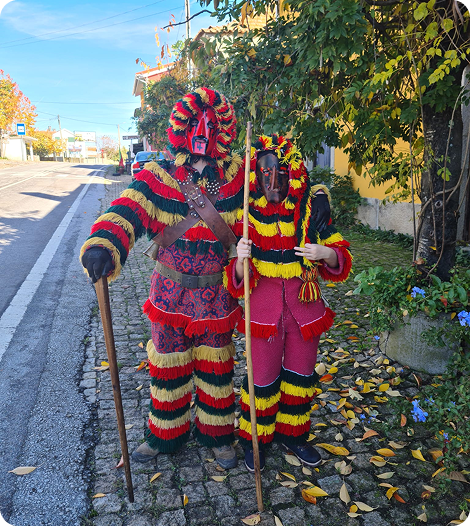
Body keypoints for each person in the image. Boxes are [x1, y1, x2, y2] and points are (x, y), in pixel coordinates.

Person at [81, 87, 245, 469]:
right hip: (168, 295)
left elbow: (278, 184)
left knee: (216, 369)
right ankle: (166, 434)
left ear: (222, 129)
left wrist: (317, 193)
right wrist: (104, 244)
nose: (202, 131)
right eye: (195, 123)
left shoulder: (239, 179)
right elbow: (127, 208)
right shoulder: (159, 176)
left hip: (216, 296)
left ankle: (218, 434)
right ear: (182, 128)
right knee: (168, 367)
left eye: (210, 124)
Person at [223, 134, 353, 472]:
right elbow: (235, 277)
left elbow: (340, 254)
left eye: (280, 174)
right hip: (262, 309)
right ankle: (256, 438)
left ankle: (293, 435)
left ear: (292, 173)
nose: (273, 183)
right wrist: (241, 259)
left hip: (304, 306)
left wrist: (325, 252)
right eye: (266, 174)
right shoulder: (246, 211)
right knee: (262, 377)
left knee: (301, 374)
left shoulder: (311, 207)